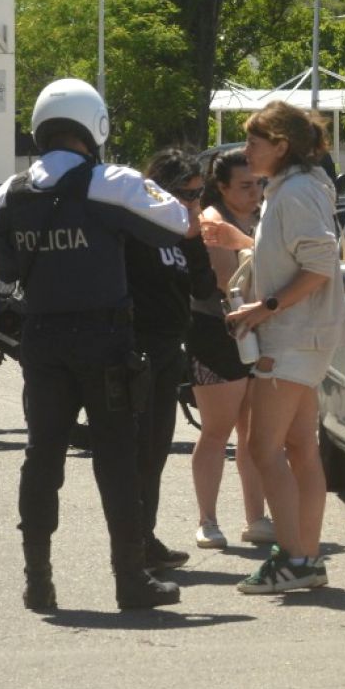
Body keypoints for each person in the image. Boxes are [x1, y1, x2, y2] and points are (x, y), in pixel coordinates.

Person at [0, 78, 187, 610]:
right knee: (117, 458)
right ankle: (130, 580)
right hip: (104, 340)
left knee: (41, 457)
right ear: (95, 125)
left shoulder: (9, 193)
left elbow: (2, 266)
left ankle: (38, 581)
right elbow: (176, 222)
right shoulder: (110, 182)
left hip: (42, 341)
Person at [219, 103, 345, 594]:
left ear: (281, 145)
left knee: (262, 448)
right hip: (303, 336)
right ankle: (304, 557)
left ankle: (295, 558)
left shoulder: (294, 192)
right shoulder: (296, 187)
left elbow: (320, 265)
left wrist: (264, 307)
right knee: (299, 448)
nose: (246, 150)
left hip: (292, 337)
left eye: (254, 142)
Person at [122, 148, 217, 576]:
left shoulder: (183, 233)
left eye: (199, 194)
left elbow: (204, 287)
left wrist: (194, 238)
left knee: (157, 449)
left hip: (168, 351)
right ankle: (133, 544)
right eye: (186, 193)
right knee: (139, 451)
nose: (194, 202)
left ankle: (146, 538)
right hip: (138, 352)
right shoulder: (137, 231)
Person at [184, 148, 271, 548]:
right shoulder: (212, 222)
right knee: (217, 431)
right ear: (221, 187)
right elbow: (228, 279)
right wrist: (257, 249)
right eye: (245, 186)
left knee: (255, 432)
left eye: (259, 184)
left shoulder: (259, 218)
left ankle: (257, 517)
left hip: (258, 330)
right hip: (216, 333)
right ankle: (208, 520)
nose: (255, 193)